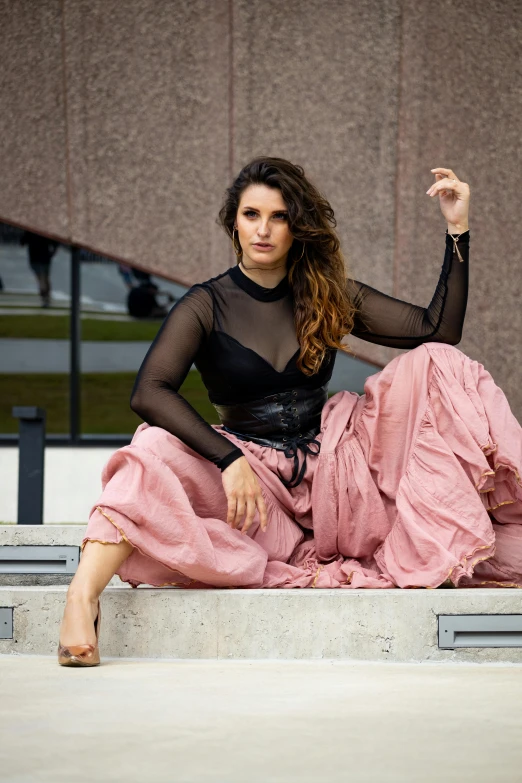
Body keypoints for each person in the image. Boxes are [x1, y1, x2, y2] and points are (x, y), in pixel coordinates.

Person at [58, 157, 522, 667]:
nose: (263, 229)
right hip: (255, 491)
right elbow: (150, 391)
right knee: (150, 446)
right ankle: (81, 600)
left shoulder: (326, 292)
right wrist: (227, 460)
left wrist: (458, 229)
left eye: (277, 216)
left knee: (439, 362)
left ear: (296, 227)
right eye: (251, 214)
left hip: (338, 477)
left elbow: (438, 328)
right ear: (233, 221)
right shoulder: (205, 304)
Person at [21, 230, 59, 307]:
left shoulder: (31, 229)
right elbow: (54, 241)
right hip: (45, 256)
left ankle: (45, 297)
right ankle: (47, 296)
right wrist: (53, 250)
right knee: (45, 277)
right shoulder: (44, 229)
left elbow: (23, 241)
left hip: (35, 256)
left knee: (41, 278)